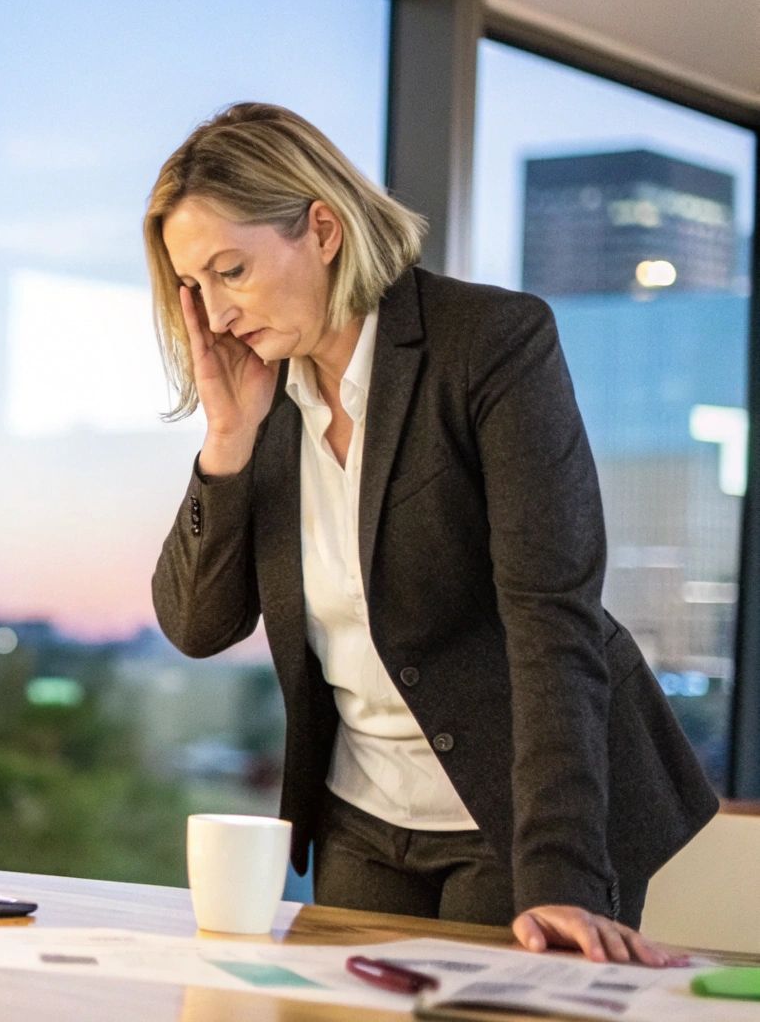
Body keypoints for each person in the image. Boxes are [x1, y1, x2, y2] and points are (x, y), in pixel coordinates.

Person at [146, 102, 718, 966]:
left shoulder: (489, 345)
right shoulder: (264, 396)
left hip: (520, 806)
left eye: (233, 271)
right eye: (197, 288)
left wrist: (559, 868)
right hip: (364, 815)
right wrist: (226, 442)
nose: (217, 317)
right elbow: (198, 627)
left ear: (324, 229)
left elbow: (551, 617)